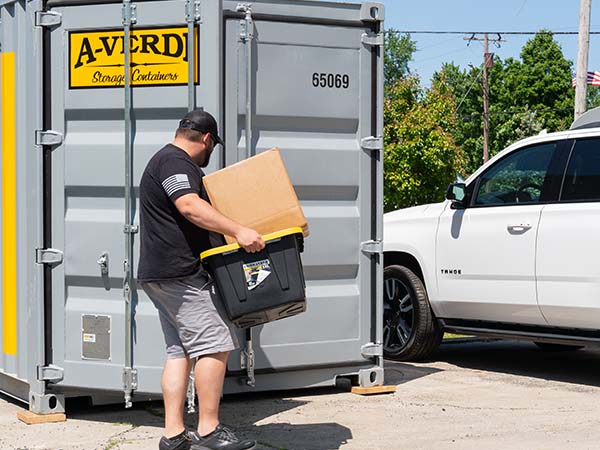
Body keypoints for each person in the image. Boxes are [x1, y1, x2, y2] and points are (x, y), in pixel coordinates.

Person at [137, 109, 264, 450]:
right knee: (216, 343)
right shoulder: (175, 162)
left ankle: (174, 435)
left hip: (160, 274)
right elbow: (189, 205)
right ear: (207, 139)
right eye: (213, 146)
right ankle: (209, 429)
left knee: (179, 351)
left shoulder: (164, 160)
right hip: (178, 274)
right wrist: (239, 231)